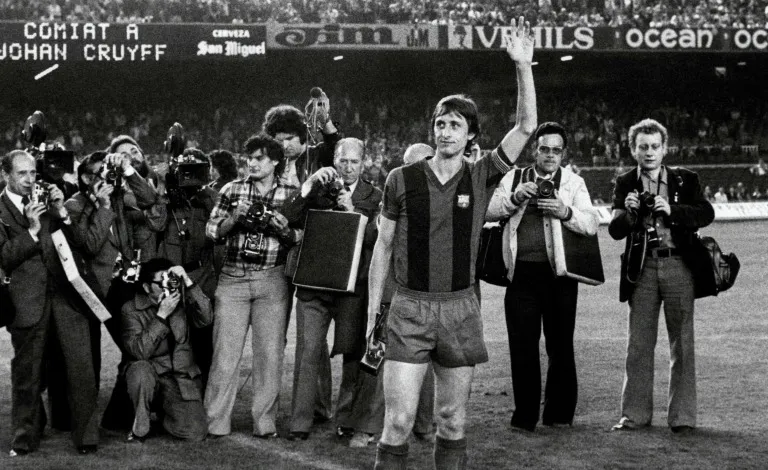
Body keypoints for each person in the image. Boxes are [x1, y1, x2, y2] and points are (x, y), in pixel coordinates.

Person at [367, 17, 536, 469]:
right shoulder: (400, 179)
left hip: (461, 308)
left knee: (452, 420)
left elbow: (525, 128)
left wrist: (523, 66)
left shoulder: (481, 176)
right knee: (398, 421)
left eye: (455, 125)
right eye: (440, 123)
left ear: (470, 136)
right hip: (408, 308)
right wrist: (374, 312)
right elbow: (382, 247)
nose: (444, 132)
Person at [486, 122, 599, 432]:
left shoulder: (573, 183)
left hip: (560, 275)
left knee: (560, 345)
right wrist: (515, 198)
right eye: (545, 149)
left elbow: (592, 223)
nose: (550, 155)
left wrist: (565, 212)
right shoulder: (513, 177)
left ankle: (559, 414)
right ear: (534, 149)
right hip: (520, 274)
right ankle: (524, 416)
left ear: (563, 153)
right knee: (522, 345)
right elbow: (488, 211)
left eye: (556, 150)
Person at [609, 118, 714, 434]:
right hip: (642, 270)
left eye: (655, 146)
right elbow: (615, 230)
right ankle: (635, 415)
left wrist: (673, 210)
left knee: (682, 343)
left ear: (665, 148)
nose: (650, 152)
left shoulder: (685, 180)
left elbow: (706, 213)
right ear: (633, 150)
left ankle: (682, 417)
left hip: (679, 266)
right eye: (643, 147)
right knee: (639, 344)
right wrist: (628, 214)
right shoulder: (625, 181)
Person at [0, 150, 100, 455]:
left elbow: (77, 243)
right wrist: (31, 232)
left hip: (66, 295)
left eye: (33, 173)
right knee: (27, 374)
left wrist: (62, 212)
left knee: (81, 367)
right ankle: (25, 438)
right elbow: (3, 257)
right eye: (22, 174)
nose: (30, 180)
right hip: (26, 300)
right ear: (5, 175)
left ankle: (86, 438)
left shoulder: (47, 201)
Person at [204, 133, 302, 438]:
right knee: (224, 356)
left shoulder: (292, 192)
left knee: (270, 355)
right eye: (250, 158)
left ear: (275, 160)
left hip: (272, 279)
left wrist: (284, 230)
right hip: (233, 277)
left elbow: (302, 236)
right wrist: (234, 218)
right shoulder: (232, 189)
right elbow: (211, 232)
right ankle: (216, 422)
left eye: (260, 158)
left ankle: (265, 422)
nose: (253, 163)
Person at [288, 138, 383, 446]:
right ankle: (300, 422)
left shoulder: (375, 195)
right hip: (314, 285)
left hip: (352, 288)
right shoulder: (317, 187)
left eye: (354, 161)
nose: (347, 166)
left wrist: (351, 208)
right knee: (308, 354)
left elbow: (375, 240)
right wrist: (310, 183)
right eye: (342, 160)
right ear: (334, 161)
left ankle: (346, 420)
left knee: (353, 355)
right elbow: (289, 215)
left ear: (364, 163)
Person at [65, 150, 163, 431]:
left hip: (124, 287)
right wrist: (104, 206)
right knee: (89, 359)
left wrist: (130, 172)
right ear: (85, 177)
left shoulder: (122, 197)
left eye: (112, 173)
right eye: (101, 173)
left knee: (133, 348)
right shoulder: (75, 205)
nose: (109, 178)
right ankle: (91, 417)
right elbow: (90, 245)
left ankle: (117, 415)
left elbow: (150, 201)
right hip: (93, 291)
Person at [262, 99, 340, 422]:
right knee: (274, 331)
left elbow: (335, 146)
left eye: (290, 137)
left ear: (302, 137)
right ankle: (268, 402)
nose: (284, 143)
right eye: (278, 138)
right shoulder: (269, 167)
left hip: (313, 251)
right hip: (278, 255)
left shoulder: (314, 157)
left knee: (313, 335)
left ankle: (319, 404)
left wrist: (326, 122)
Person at [122, 258, 212, 442]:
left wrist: (187, 281)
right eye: (160, 283)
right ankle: (140, 427)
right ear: (147, 288)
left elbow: (207, 318)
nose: (167, 287)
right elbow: (140, 351)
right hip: (150, 374)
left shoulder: (183, 300)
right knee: (139, 370)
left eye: (170, 281)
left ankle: (167, 415)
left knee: (196, 432)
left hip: (179, 378)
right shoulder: (130, 309)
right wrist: (161, 315)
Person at [154, 148, 220, 390]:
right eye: (185, 170)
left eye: (196, 169)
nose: (189, 175)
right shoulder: (168, 198)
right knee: (172, 339)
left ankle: (205, 395)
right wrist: (164, 187)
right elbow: (156, 223)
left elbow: (219, 227)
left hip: (202, 276)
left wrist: (204, 191)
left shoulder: (210, 197)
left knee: (204, 339)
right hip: (170, 278)